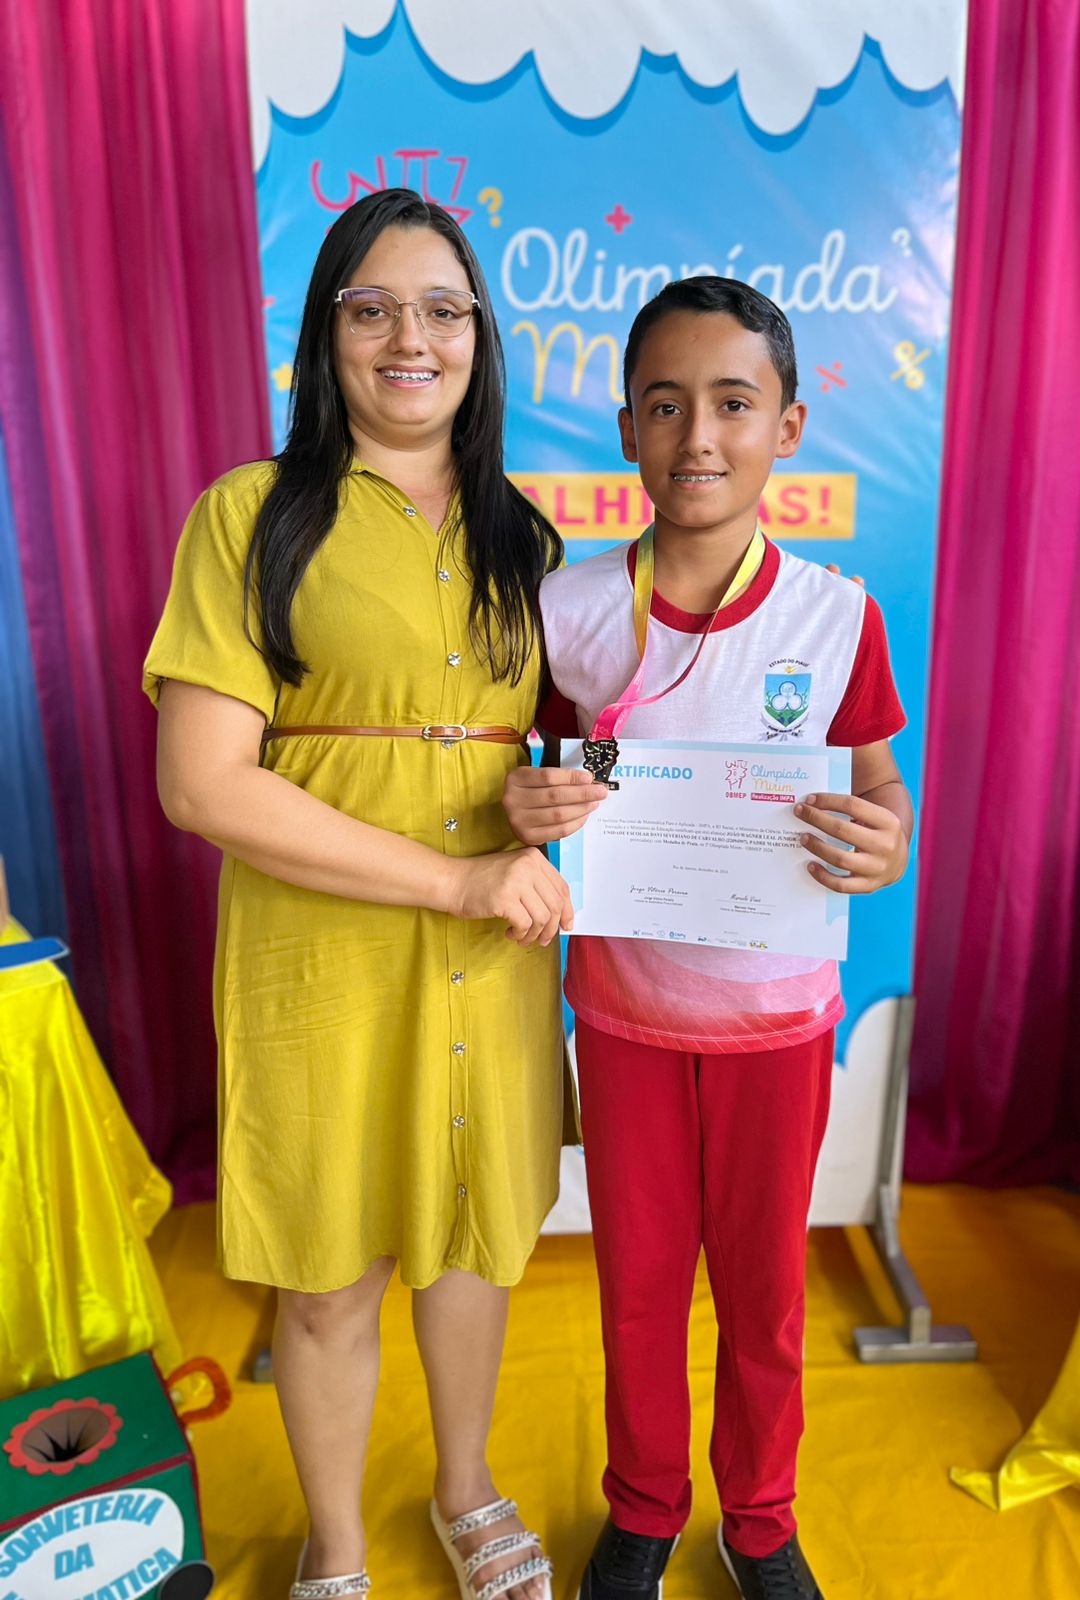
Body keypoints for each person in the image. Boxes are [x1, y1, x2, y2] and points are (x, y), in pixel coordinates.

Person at [145, 188, 590, 1600]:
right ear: (325, 333)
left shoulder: (530, 543)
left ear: (481, 338)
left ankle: (465, 1489)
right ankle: (336, 1545)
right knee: (328, 1270)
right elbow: (203, 784)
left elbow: (557, 757)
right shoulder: (250, 516)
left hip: (493, 965)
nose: (413, 338)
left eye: (444, 309)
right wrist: (454, 876)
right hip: (322, 958)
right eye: (374, 308)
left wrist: (556, 807)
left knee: (472, 1241)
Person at [503, 278, 913, 1600]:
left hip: (778, 1024)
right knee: (634, 1286)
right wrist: (527, 804)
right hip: (624, 1017)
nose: (699, 434)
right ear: (626, 427)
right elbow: (527, 779)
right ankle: (642, 1506)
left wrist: (887, 839)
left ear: (787, 427)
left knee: (764, 1296)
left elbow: (878, 785)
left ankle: (762, 1521)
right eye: (667, 404)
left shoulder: (835, 617)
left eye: (734, 403)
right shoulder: (570, 611)